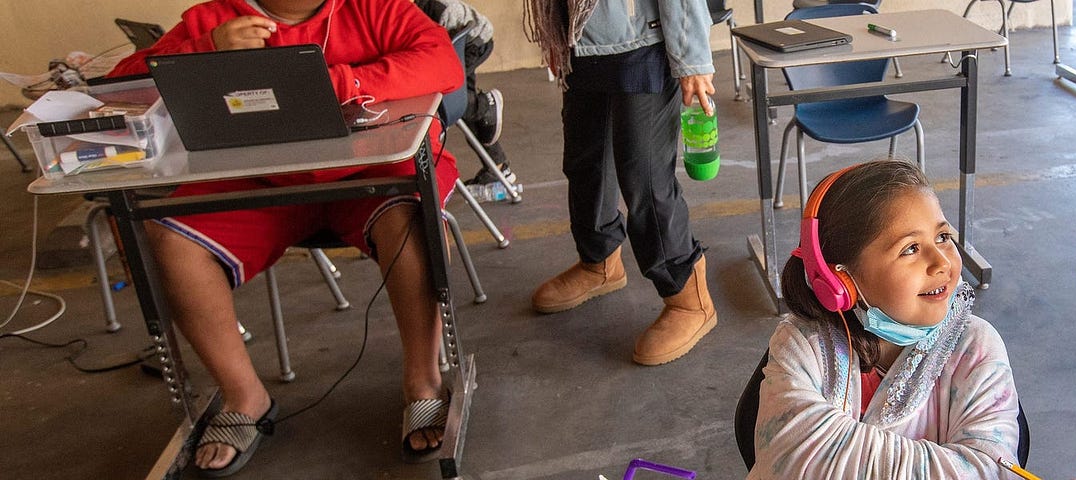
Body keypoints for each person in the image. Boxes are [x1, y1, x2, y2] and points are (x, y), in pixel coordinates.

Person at [106, 0, 462, 475]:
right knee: (168, 238)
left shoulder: (374, 7)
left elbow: (442, 62)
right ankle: (243, 395)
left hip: (369, 172)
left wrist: (342, 83)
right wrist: (205, 49)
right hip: (262, 183)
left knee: (415, 223)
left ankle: (422, 382)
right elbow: (118, 88)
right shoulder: (214, 18)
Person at [750, 160, 1022, 478]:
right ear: (842, 279)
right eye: (910, 249)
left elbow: (991, 470)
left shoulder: (975, 346)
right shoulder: (805, 342)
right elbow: (789, 457)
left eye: (943, 237)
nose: (941, 262)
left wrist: (832, 452)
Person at [525, 0, 718, 365]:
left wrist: (693, 59)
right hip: (582, 42)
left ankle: (689, 299)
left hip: (643, 42)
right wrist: (557, 32)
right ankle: (599, 262)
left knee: (644, 179)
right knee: (585, 162)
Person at [414, 0, 515, 186]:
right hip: (466, 40)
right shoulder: (419, 9)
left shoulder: (430, 11)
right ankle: (499, 168)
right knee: (464, 108)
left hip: (474, 42)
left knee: (455, 100)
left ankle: (484, 105)